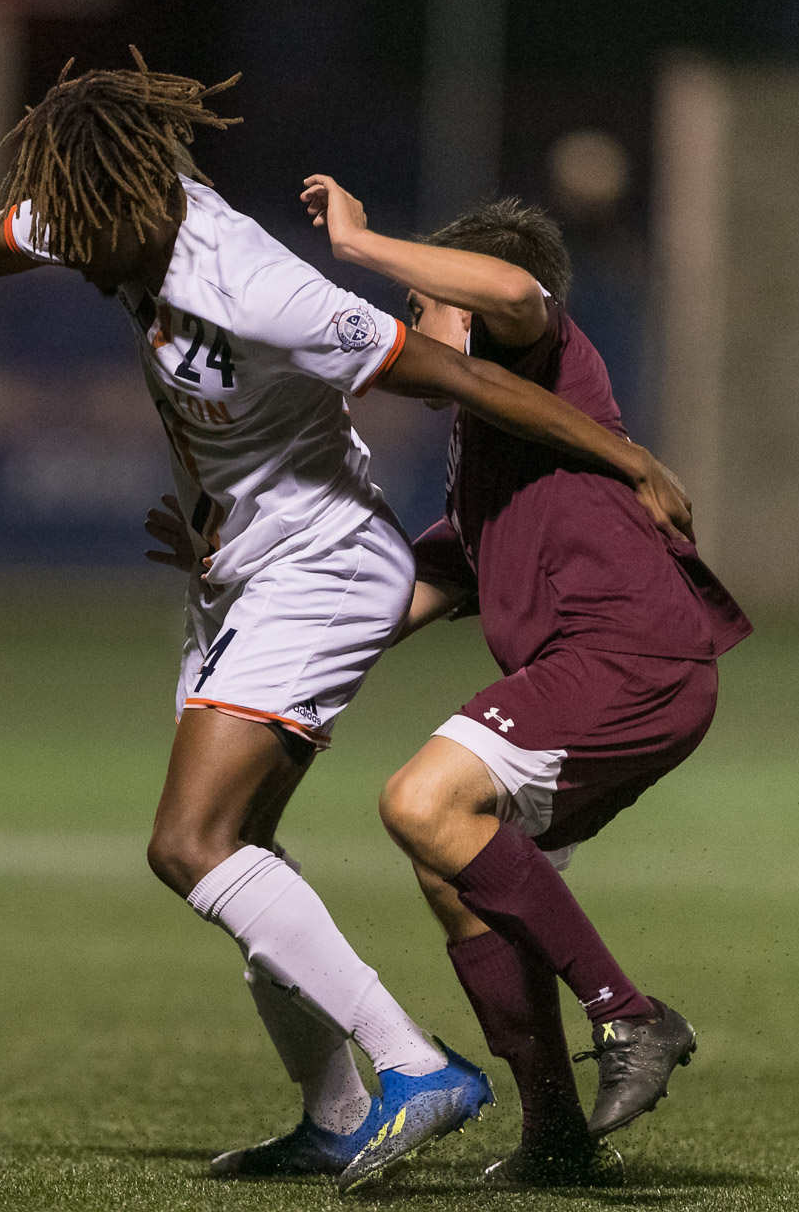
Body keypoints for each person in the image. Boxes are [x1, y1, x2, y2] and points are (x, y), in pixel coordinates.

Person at [0, 51, 696, 1193]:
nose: (62, 239)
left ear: (137, 199)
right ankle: (334, 1108)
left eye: (79, 221)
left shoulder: (257, 285)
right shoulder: (103, 219)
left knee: (188, 842)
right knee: (236, 850)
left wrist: (626, 450)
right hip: (245, 570)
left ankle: (418, 1067)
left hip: (325, 567)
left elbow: (456, 380)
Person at [296, 176, 751, 1186]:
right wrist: (302, 665)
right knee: (446, 858)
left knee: (420, 796)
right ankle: (554, 1132)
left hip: (625, 654)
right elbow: (427, 582)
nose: (411, 325)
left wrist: (367, 242)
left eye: (423, 308)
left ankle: (630, 1014)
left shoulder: (536, 352)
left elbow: (511, 285)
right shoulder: (490, 449)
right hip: (621, 670)